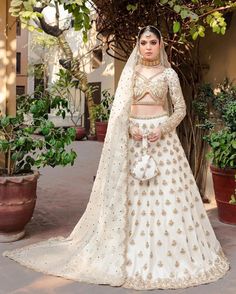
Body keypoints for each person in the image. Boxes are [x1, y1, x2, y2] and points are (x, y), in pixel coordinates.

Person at [3, 25, 230, 290]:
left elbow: (179, 109)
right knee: (130, 196)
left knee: (168, 195)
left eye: (152, 42)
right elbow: (119, 111)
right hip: (132, 139)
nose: (147, 47)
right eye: (143, 42)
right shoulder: (130, 73)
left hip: (163, 140)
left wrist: (163, 128)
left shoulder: (169, 75)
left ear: (160, 45)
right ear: (138, 45)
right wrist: (129, 127)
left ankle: (169, 250)